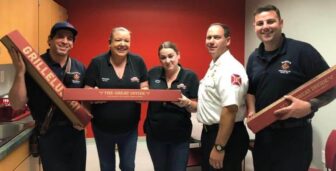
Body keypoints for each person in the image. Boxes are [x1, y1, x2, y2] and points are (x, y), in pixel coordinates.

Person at [246, 4, 336, 171]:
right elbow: (251, 90)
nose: (265, 27)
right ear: (254, 27)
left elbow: (332, 87)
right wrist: (251, 110)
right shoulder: (253, 58)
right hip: (264, 136)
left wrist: (310, 105)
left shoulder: (303, 51)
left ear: (281, 23)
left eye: (270, 21)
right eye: (260, 23)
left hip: (295, 137)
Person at [8, 21, 87, 171]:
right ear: (49, 40)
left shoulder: (80, 67)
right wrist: (19, 72)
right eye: (60, 36)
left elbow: (85, 102)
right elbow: (17, 104)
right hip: (48, 134)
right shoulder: (35, 66)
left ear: (73, 44)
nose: (65, 41)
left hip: (75, 134)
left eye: (69, 38)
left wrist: (84, 120)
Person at [84, 27, 148, 171]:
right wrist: (93, 95)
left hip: (129, 127)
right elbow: (86, 91)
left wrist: (143, 94)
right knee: (107, 167)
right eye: (118, 40)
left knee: (128, 166)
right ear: (110, 42)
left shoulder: (138, 61)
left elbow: (145, 87)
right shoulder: (97, 62)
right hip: (102, 127)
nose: (122, 44)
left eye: (126, 40)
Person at [196, 23, 249, 171]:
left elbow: (230, 109)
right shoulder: (215, 65)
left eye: (217, 37)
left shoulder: (230, 68)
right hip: (212, 134)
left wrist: (219, 147)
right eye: (209, 37)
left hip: (226, 137)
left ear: (228, 41)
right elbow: (215, 102)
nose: (211, 41)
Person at [144, 41, 199, 171]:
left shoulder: (190, 76)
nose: (167, 60)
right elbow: (143, 93)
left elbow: (196, 107)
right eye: (163, 57)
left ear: (178, 55)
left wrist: (187, 103)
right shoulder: (152, 73)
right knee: (160, 168)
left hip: (179, 135)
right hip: (155, 134)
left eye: (171, 56)